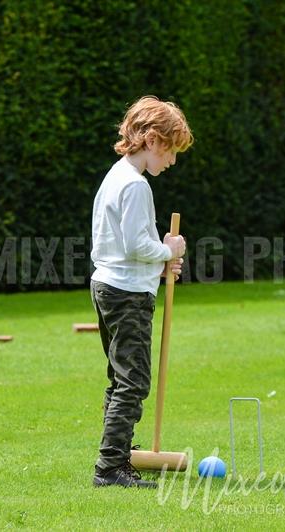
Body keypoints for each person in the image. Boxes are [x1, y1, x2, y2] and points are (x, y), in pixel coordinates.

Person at [89, 95, 193, 488]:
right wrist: (169, 250)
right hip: (127, 294)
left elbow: (123, 246)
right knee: (133, 381)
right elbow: (137, 246)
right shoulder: (135, 186)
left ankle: (119, 457)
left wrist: (160, 262)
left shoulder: (115, 176)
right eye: (170, 150)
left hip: (109, 285)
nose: (172, 161)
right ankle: (111, 468)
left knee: (120, 379)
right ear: (152, 139)